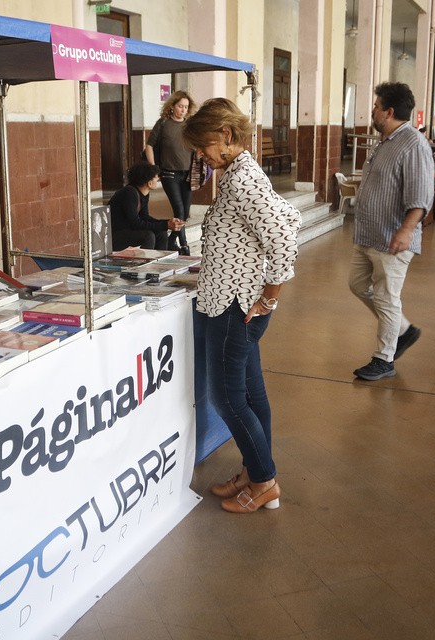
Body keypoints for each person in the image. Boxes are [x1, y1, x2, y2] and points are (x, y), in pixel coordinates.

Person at [182, 98, 301, 514]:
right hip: (231, 301)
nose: (201, 154)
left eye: (203, 146)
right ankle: (255, 471)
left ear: (226, 136)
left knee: (227, 398)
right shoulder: (238, 174)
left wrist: (270, 296)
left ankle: (265, 480)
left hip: (235, 308)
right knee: (251, 394)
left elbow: (284, 239)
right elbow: (288, 219)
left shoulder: (243, 181)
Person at [349, 82, 434, 381]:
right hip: (369, 235)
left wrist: (406, 231)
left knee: (387, 299)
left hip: (393, 239)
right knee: (358, 285)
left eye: (376, 106)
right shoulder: (384, 141)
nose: (372, 110)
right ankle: (403, 330)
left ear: (390, 111)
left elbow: (421, 196)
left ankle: (384, 359)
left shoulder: (413, 144)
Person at [145, 91, 196, 254]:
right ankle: (184, 245)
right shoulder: (163, 123)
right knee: (179, 210)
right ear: (172, 106)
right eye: (180, 106)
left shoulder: (189, 125)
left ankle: (170, 240)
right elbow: (149, 145)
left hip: (188, 174)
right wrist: (153, 168)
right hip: (169, 174)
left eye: (186, 107)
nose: (183, 110)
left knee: (185, 212)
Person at [108, 161, 185, 251]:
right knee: (148, 236)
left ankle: (160, 263)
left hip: (127, 231)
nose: (158, 179)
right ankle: (146, 263)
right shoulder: (129, 193)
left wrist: (167, 223)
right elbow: (136, 223)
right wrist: (165, 224)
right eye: (156, 177)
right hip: (113, 236)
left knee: (161, 233)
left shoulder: (143, 193)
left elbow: (145, 217)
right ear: (149, 183)